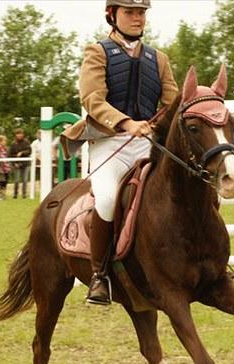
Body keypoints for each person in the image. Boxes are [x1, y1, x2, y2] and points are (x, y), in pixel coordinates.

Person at [60, 0, 178, 305]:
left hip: (148, 144)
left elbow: (171, 103)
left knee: (189, 183)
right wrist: (126, 123)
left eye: (141, 13)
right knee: (109, 198)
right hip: (109, 143)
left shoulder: (159, 59)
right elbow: (92, 100)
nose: (137, 18)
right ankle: (100, 276)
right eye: (130, 12)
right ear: (113, 15)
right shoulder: (97, 52)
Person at [9, 129, 32, 199]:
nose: (19, 135)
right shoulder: (13, 144)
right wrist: (14, 163)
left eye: (20, 134)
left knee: (25, 180)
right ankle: (15, 194)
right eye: (18, 134)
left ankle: (24, 194)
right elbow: (10, 154)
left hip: (25, 164)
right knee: (17, 180)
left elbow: (29, 151)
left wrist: (22, 152)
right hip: (17, 164)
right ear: (16, 135)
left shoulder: (26, 142)